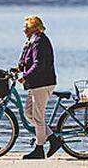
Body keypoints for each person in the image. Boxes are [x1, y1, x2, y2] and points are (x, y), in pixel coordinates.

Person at [17, 15, 60, 159]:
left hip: (42, 83)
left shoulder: (39, 41)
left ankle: (39, 149)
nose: (24, 30)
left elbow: (38, 64)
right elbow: (27, 61)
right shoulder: (32, 41)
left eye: (26, 27)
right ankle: (53, 139)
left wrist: (25, 76)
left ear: (35, 28)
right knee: (29, 113)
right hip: (36, 84)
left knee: (38, 117)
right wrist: (18, 69)